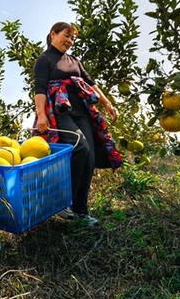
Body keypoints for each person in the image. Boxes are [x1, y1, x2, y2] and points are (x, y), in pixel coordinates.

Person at [33, 22, 123, 226]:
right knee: (80, 146)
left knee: (89, 157)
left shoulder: (74, 60)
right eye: (66, 35)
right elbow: (39, 89)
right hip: (60, 112)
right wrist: (41, 116)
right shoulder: (44, 60)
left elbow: (91, 84)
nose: (70, 41)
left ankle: (81, 210)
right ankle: (63, 202)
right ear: (53, 34)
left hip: (81, 111)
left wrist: (107, 103)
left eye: (73, 38)